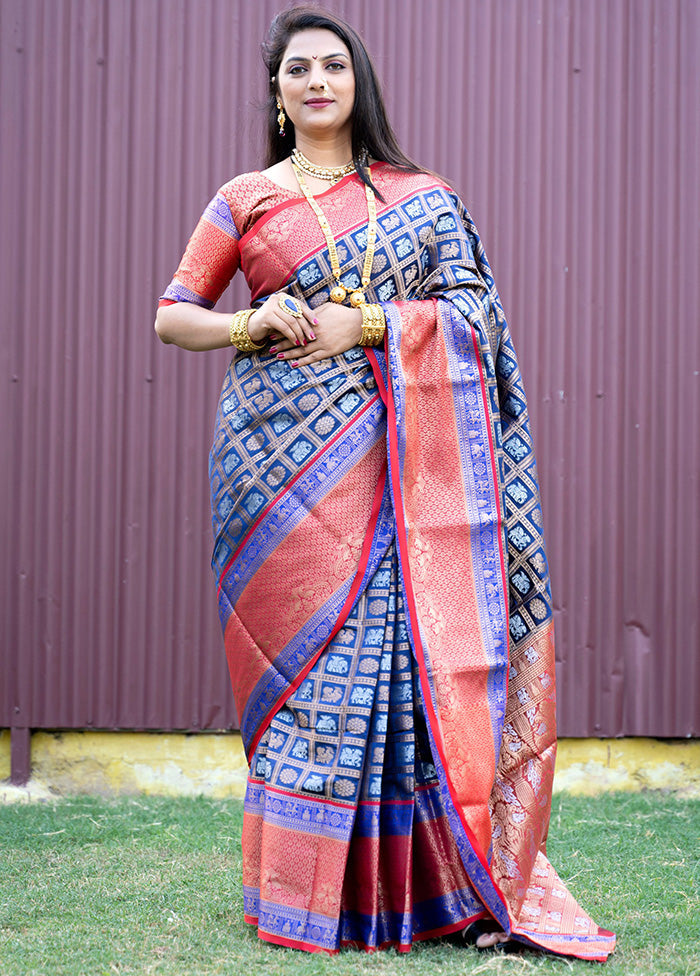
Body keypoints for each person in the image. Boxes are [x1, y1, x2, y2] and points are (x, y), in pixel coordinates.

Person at [155, 6, 615, 961]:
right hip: (276, 470)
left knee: (403, 663)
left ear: (358, 81)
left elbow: (474, 316)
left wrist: (369, 327)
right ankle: (304, 898)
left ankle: (419, 895)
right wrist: (255, 321)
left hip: (405, 466)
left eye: (332, 66)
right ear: (277, 96)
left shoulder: (426, 197)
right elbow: (174, 316)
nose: (315, 82)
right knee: (302, 669)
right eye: (296, 71)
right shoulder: (245, 200)